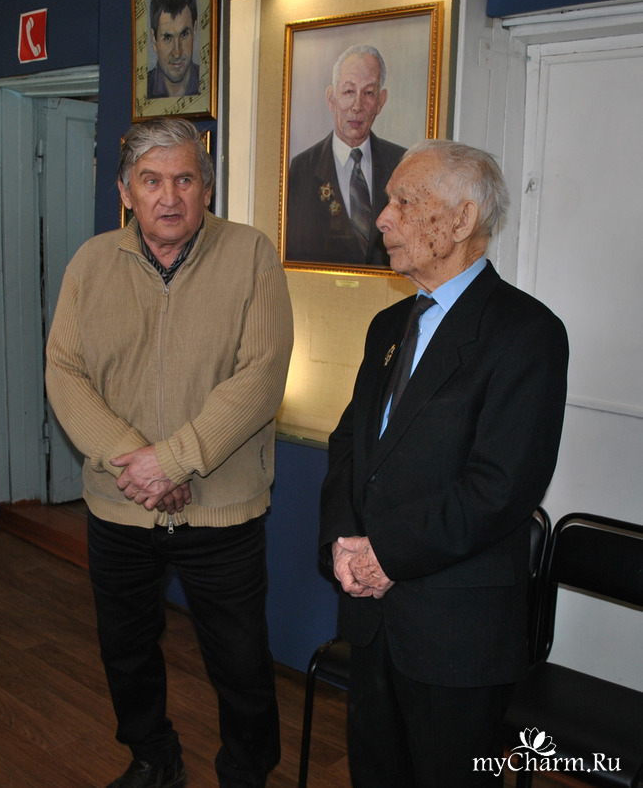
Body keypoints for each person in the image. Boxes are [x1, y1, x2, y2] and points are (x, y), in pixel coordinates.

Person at [46, 118, 293, 788]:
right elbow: (64, 372)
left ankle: (246, 774)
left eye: (185, 179)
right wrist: (137, 459)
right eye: (151, 181)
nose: (169, 196)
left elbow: (262, 375)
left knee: (241, 663)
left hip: (222, 511)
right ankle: (154, 759)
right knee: (125, 653)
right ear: (125, 191)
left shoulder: (251, 255)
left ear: (206, 188)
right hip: (120, 505)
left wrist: (176, 459)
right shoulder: (91, 263)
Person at [319, 139, 569, 787]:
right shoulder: (387, 326)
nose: (383, 218)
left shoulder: (527, 333)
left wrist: (387, 555)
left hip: (455, 633)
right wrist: (342, 542)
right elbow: (350, 446)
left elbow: (501, 488)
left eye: (405, 202)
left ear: (462, 220)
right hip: (373, 620)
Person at [286, 45, 405, 267]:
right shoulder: (301, 169)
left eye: (368, 93)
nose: (357, 106)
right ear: (331, 98)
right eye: (349, 92)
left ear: (381, 101)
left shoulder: (401, 164)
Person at [147, 0, 200, 99]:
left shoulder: (208, 81)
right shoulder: (144, 88)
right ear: (154, 39)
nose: (177, 52)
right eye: (167, 38)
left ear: (194, 30)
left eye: (184, 34)